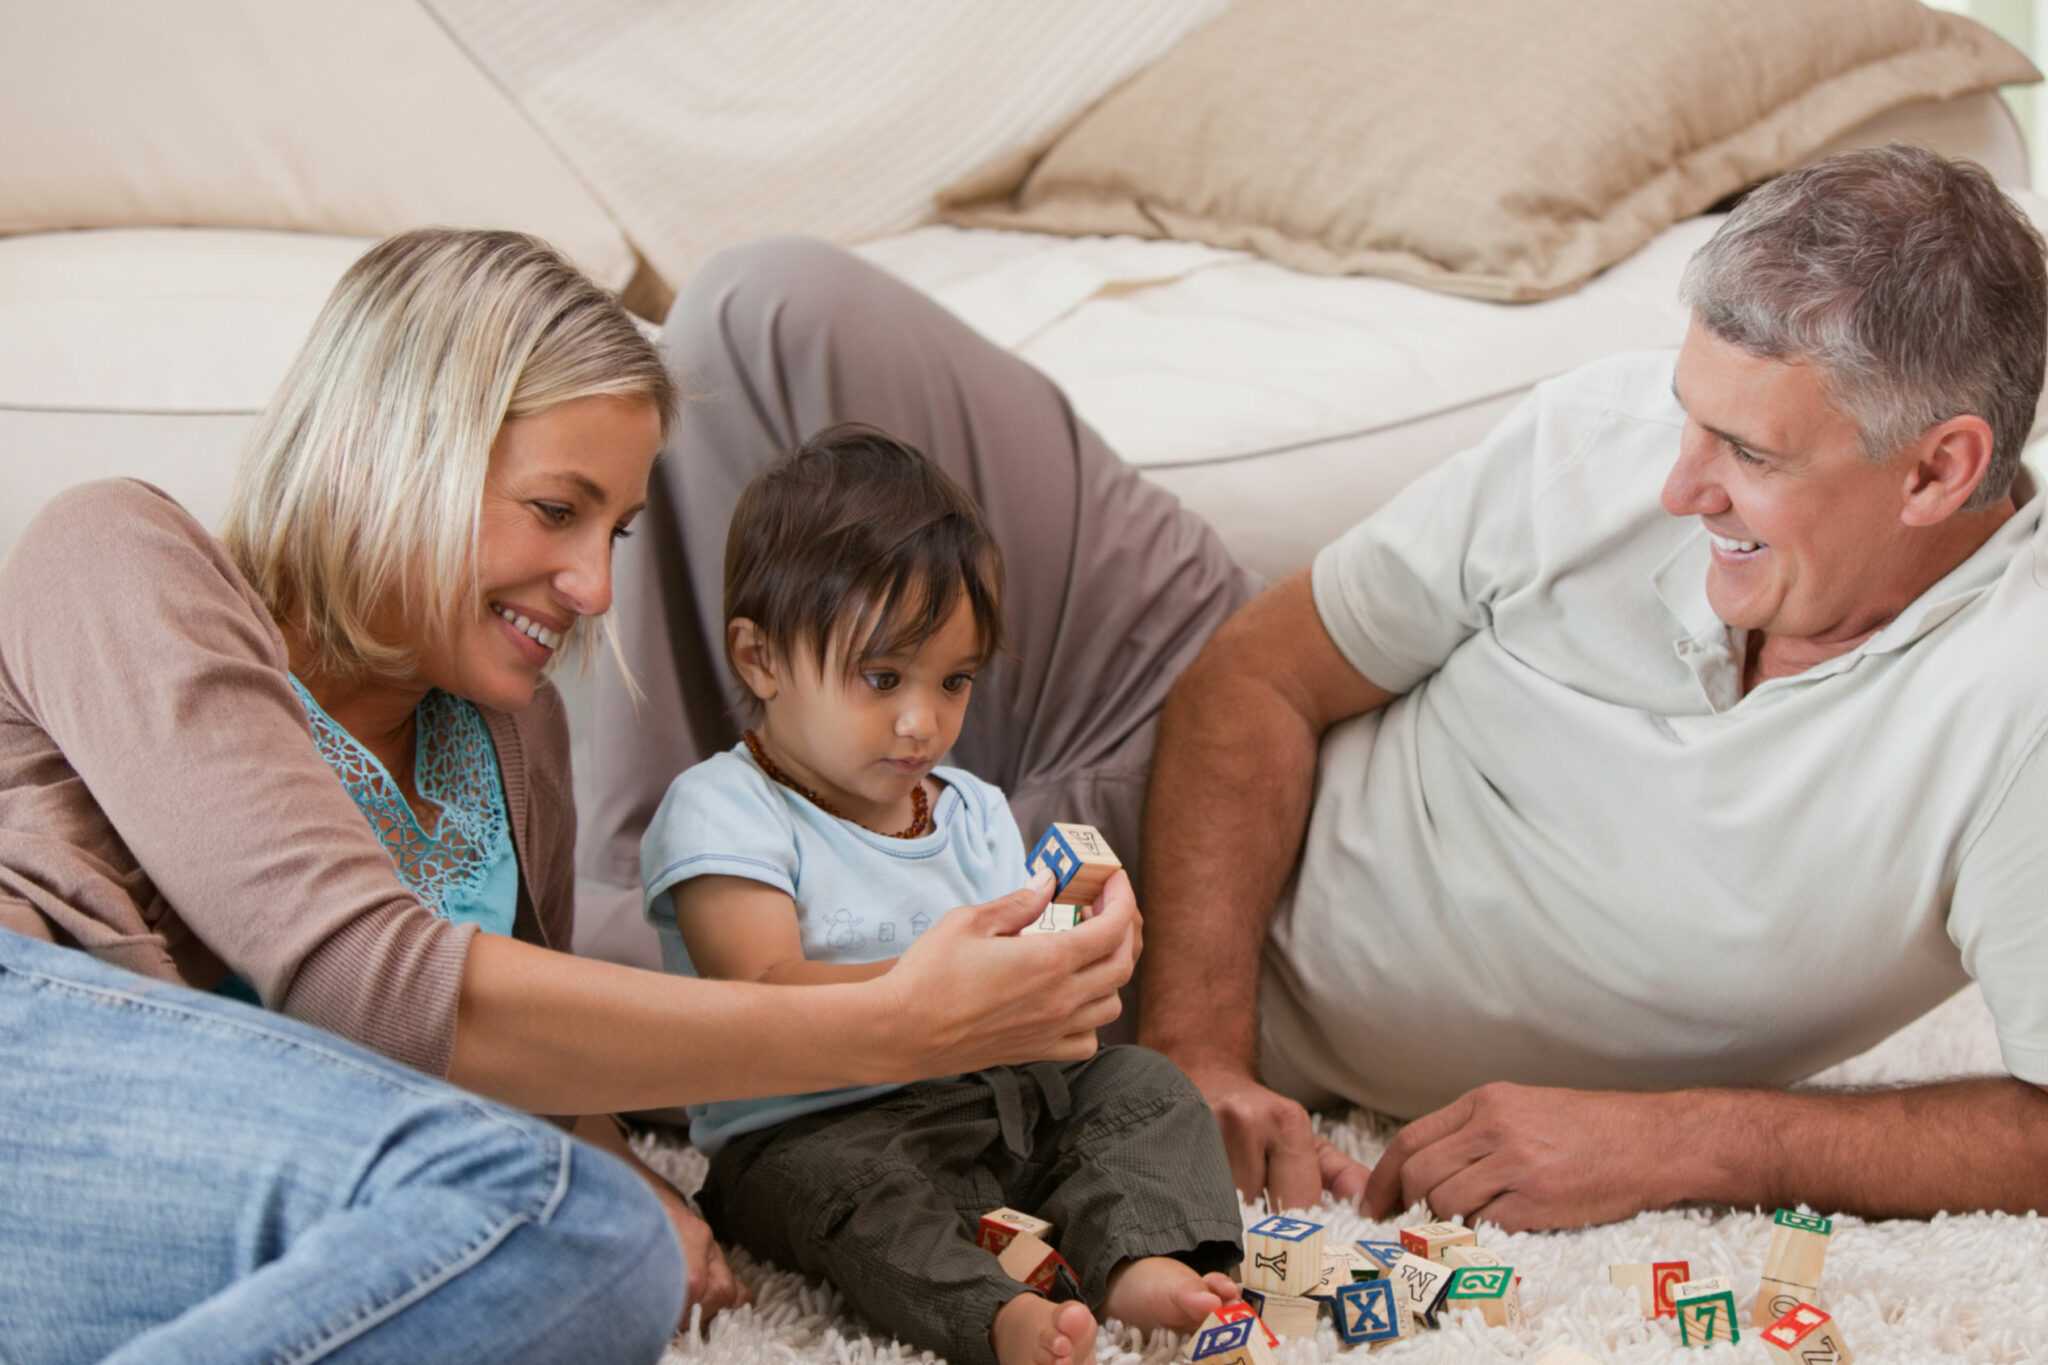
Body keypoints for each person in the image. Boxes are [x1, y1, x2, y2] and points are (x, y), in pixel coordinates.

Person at [584, 144, 2048, 1232]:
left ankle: (632, 938)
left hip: (1087, 957)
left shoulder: (2016, 704)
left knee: (591, 1001)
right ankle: (655, 845)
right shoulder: (1609, 439)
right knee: (765, 303)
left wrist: (1708, 1142)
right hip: (1166, 697)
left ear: (1941, 468)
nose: (1676, 482)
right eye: (1688, 415)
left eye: (1751, 457)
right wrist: (1198, 1056)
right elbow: (1264, 672)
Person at [0, 228, 1139, 1363]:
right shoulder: (121, 554)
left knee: (592, 1245)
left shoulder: (510, 727)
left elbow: (521, 1050)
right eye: (557, 510)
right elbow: (366, 979)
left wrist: (616, 1159)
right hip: (38, 1058)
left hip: (259, 1166)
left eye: (618, 531)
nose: (595, 587)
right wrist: (893, 1023)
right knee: (564, 1231)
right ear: (399, 444)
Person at [639, 426, 1243, 1365]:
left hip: (991, 1103)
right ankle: (995, 1315)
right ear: (760, 661)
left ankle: (1138, 1262)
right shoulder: (725, 809)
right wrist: (931, 993)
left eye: (954, 680)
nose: (923, 721)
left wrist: (1083, 937)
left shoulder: (973, 808)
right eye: (881, 677)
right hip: (818, 1125)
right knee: (852, 1197)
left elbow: (1028, 961)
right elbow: (755, 990)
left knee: (1144, 1087)